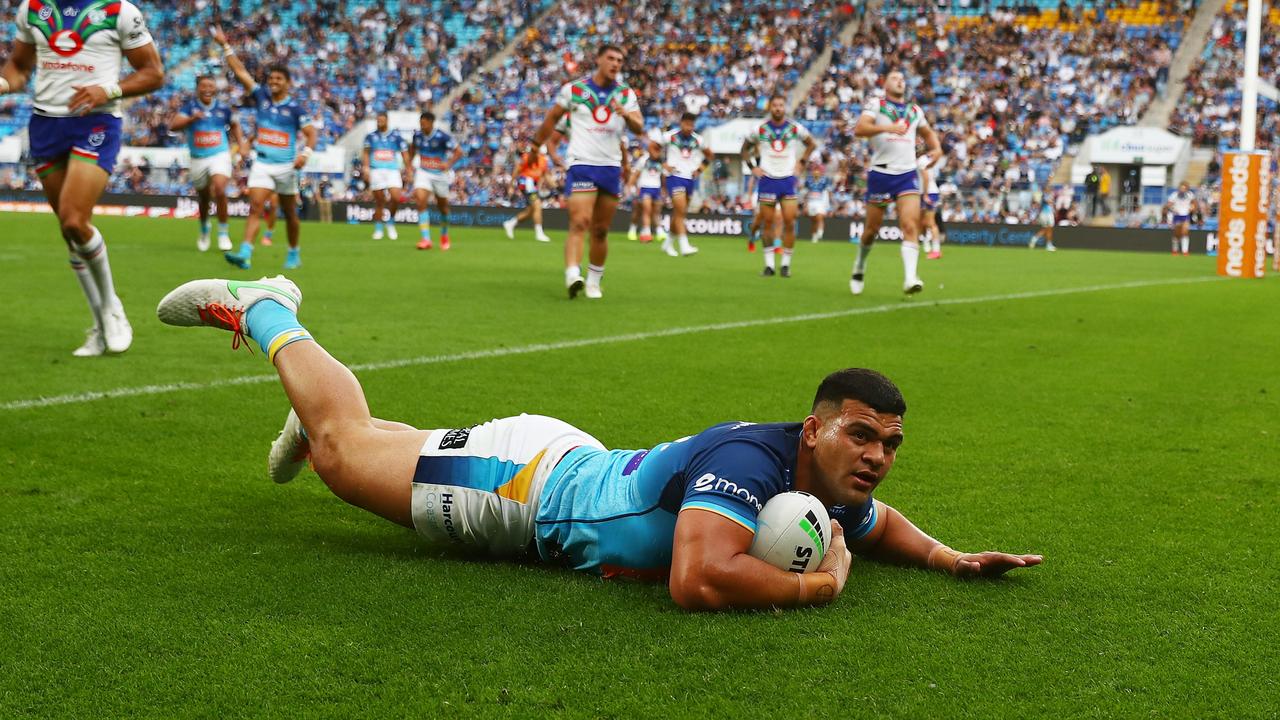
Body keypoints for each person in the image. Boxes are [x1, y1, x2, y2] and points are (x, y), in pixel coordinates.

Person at [155, 275, 1045, 610]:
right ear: (814, 428)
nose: (877, 457)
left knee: (360, 440)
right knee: (348, 457)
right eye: (861, 435)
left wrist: (950, 558)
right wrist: (816, 585)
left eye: (889, 443)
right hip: (522, 494)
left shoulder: (815, 473)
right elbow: (698, 580)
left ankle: (313, 408)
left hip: (560, 464)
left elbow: (875, 521)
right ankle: (270, 309)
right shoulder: (747, 466)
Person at [1, 0, 164, 356]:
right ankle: (99, 326)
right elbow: (18, 66)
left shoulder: (119, 11)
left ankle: (112, 310)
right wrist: (3, 82)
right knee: (68, 231)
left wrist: (109, 90)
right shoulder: (32, 9)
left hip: (96, 122)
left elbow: (153, 73)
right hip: (45, 124)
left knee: (75, 220)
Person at [532, 44, 644, 299]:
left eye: (620, 60)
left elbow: (639, 127)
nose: (616, 64)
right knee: (579, 222)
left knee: (601, 229)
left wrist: (626, 114)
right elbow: (551, 119)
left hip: (610, 168)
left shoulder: (625, 94)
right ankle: (572, 274)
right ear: (598, 59)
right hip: (582, 164)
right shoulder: (574, 90)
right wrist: (536, 145)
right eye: (611, 58)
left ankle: (594, 280)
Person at [213, 27, 316, 271]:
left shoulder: (296, 110)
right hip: (263, 164)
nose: (273, 82)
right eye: (271, 79)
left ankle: (293, 252)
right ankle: (245, 252)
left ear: (288, 83)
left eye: (278, 79)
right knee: (255, 207)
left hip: (287, 167)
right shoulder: (262, 97)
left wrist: (306, 154)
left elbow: (312, 134)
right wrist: (225, 46)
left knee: (290, 214)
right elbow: (240, 71)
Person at [850, 70, 941, 295]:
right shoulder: (876, 105)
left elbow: (929, 135)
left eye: (902, 79)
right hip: (880, 173)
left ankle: (910, 278)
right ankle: (860, 265)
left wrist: (936, 150)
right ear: (885, 83)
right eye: (894, 78)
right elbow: (860, 129)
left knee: (910, 225)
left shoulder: (914, 111)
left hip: (906, 174)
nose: (900, 81)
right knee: (871, 230)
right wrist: (887, 128)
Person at [741, 94, 817, 278]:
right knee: (767, 223)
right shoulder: (760, 129)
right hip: (767, 179)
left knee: (790, 222)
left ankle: (785, 265)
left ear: (785, 107)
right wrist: (753, 168)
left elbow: (811, 144)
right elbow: (744, 149)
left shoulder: (794, 128)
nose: (777, 108)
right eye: (774, 105)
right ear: (770, 108)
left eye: (781, 105)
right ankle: (769, 266)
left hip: (787, 179)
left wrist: (802, 163)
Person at [171, 75, 243, 253]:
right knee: (203, 197)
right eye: (204, 86)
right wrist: (191, 119)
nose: (207, 89)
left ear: (215, 88)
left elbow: (235, 125)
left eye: (211, 86)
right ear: (197, 88)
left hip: (219, 154)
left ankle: (223, 233)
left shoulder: (223, 109)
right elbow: (173, 125)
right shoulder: (189, 108)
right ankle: (204, 229)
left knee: (219, 189)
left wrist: (241, 144)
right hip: (197, 158)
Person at [653, 111, 712, 257]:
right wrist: (663, 164)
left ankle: (667, 244)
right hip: (674, 176)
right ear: (681, 123)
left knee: (680, 213)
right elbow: (653, 148)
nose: (689, 127)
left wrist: (700, 169)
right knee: (680, 210)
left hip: (690, 178)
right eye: (687, 124)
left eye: (692, 124)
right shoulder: (670, 136)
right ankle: (684, 245)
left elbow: (710, 155)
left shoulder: (698, 140)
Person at [408, 111, 462, 251]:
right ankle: (426, 239)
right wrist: (408, 166)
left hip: (439, 175)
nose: (422, 126)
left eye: (424, 124)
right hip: (423, 172)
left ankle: (444, 234)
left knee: (443, 207)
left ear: (431, 123)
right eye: (420, 123)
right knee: (420, 201)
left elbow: (459, 152)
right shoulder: (418, 135)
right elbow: (412, 149)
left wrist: (448, 164)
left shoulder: (442, 137)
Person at [362, 111, 410, 241]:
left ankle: (391, 222)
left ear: (387, 121)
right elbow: (366, 153)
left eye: (381, 120)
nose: (379, 122)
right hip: (376, 170)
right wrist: (365, 169)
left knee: (396, 197)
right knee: (379, 201)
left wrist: (408, 169)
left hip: (392, 170)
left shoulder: (396, 136)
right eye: (378, 120)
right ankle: (378, 228)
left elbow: (405, 153)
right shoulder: (370, 137)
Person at [502, 141, 553, 242]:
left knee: (531, 211)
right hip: (526, 183)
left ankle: (511, 223)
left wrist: (557, 187)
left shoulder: (543, 160)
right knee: (537, 204)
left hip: (532, 185)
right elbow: (517, 169)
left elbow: (545, 175)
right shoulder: (527, 157)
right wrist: (511, 184)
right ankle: (539, 233)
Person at [627, 146, 664, 244]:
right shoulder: (643, 160)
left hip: (656, 188)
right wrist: (630, 187)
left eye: (658, 150)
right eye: (655, 150)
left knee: (656, 211)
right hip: (644, 187)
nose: (657, 153)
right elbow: (635, 175)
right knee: (644, 210)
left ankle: (659, 232)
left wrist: (664, 189)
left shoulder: (661, 161)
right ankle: (641, 231)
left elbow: (663, 176)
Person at [917, 153, 944, 258]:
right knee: (922, 221)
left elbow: (926, 178)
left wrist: (926, 195)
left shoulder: (921, 160)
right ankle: (926, 243)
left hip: (929, 193)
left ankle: (936, 251)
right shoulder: (925, 159)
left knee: (930, 223)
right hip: (925, 192)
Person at [1165, 182, 1198, 256]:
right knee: (1177, 234)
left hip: (1185, 215)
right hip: (1177, 215)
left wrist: (1192, 208)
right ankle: (1175, 250)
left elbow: (1195, 203)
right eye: (1181, 188)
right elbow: (1169, 204)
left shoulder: (1190, 194)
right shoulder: (1174, 195)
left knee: (1185, 232)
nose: (1182, 190)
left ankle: (1185, 251)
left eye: (1184, 188)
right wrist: (1172, 208)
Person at [804, 164, 833, 243]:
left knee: (819, 216)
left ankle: (820, 232)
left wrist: (829, 205)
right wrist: (805, 205)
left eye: (818, 170)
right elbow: (806, 193)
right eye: (815, 170)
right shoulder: (808, 180)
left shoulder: (825, 180)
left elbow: (829, 192)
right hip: (811, 202)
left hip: (820, 202)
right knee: (813, 220)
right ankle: (814, 236)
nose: (816, 172)